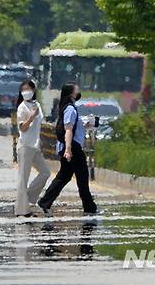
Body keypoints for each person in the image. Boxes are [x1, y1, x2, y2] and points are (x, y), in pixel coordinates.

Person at [38, 82, 98, 216]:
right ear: (71, 93)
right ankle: (89, 208)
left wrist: (87, 125)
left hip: (69, 146)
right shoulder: (70, 109)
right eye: (77, 89)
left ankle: (45, 201)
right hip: (73, 147)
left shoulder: (67, 108)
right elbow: (68, 130)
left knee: (64, 176)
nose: (79, 91)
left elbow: (73, 129)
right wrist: (68, 149)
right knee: (82, 177)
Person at [14, 80, 51, 217]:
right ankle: (21, 210)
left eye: (28, 89)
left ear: (34, 90)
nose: (26, 92)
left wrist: (40, 141)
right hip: (25, 146)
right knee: (23, 178)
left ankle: (29, 197)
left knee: (45, 173)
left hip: (35, 146)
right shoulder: (22, 107)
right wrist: (31, 117)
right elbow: (23, 128)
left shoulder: (37, 105)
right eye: (23, 90)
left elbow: (39, 125)